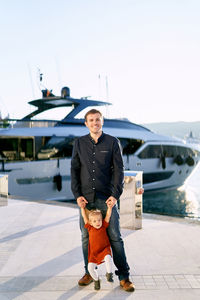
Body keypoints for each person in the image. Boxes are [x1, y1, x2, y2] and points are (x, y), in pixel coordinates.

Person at [71, 108, 135, 292]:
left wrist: (115, 195)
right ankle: (89, 273)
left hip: (107, 199)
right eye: (91, 120)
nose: (94, 123)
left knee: (115, 237)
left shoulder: (113, 142)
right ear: (86, 123)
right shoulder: (79, 143)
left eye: (97, 119)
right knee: (86, 237)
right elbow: (74, 170)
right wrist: (77, 195)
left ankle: (124, 276)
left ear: (102, 121)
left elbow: (118, 171)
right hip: (86, 200)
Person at [81, 203, 113, 290]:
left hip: (104, 249)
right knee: (90, 268)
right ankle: (96, 280)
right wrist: (82, 208)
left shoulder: (103, 226)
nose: (98, 222)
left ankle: (109, 274)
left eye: (99, 220)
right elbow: (84, 217)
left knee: (108, 258)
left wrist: (109, 207)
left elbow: (108, 216)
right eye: (94, 221)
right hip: (94, 253)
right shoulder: (89, 228)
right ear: (90, 223)